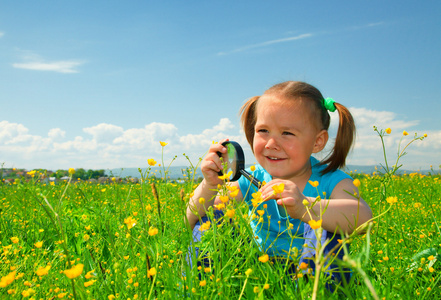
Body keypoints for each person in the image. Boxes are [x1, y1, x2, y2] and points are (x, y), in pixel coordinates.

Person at [186, 81, 372, 287]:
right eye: (263, 130)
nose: (271, 144)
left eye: (287, 133)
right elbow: (192, 218)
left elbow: (365, 220)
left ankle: (314, 291)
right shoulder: (253, 177)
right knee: (211, 221)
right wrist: (210, 184)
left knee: (327, 230)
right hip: (256, 270)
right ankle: (195, 288)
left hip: (310, 272)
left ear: (317, 141)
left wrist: (305, 206)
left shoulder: (331, 180)